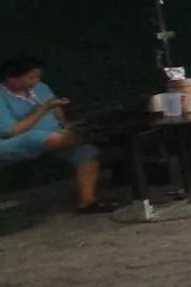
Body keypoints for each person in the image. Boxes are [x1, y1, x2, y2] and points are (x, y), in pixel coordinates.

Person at [0, 56, 119, 213]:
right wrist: (43, 108)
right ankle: (97, 134)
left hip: (54, 136)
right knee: (37, 137)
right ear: (11, 78)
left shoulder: (41, 87)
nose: (35, 81)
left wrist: (64, 124)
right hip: (12, 142)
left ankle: (87, 202)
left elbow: (56, 109)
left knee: (86, 154)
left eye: (38, 77)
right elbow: (11, 131)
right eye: (30, 77)